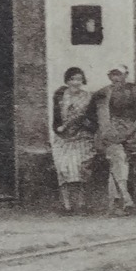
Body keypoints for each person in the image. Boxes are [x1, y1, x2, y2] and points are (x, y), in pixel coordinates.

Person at [94, 64, 136, 215]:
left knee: (118, 163)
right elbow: (97, 112)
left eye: (119, 74)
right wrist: (107, 130)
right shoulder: (105, 92)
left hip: (132, 132)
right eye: (113, 75)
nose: (116, 78)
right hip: (112, 132)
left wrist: (129, 132)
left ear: (126, 75)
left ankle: (115, 203)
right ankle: (126, 197)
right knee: (118, 157)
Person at [51, 67, 96, 213]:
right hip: (63, 138)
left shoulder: (88, 97)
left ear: (82, 80)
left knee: (80, 169)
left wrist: (82, 124)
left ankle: (82, 204)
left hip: (82, 137)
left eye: (78, 79)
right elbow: (56, 118)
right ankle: (66, 205)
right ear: (67, 80)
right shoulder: (60, 96)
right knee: (63, 169)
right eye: (72, 79)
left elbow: (93, 120)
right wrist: (59, 129)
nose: (75, 82)